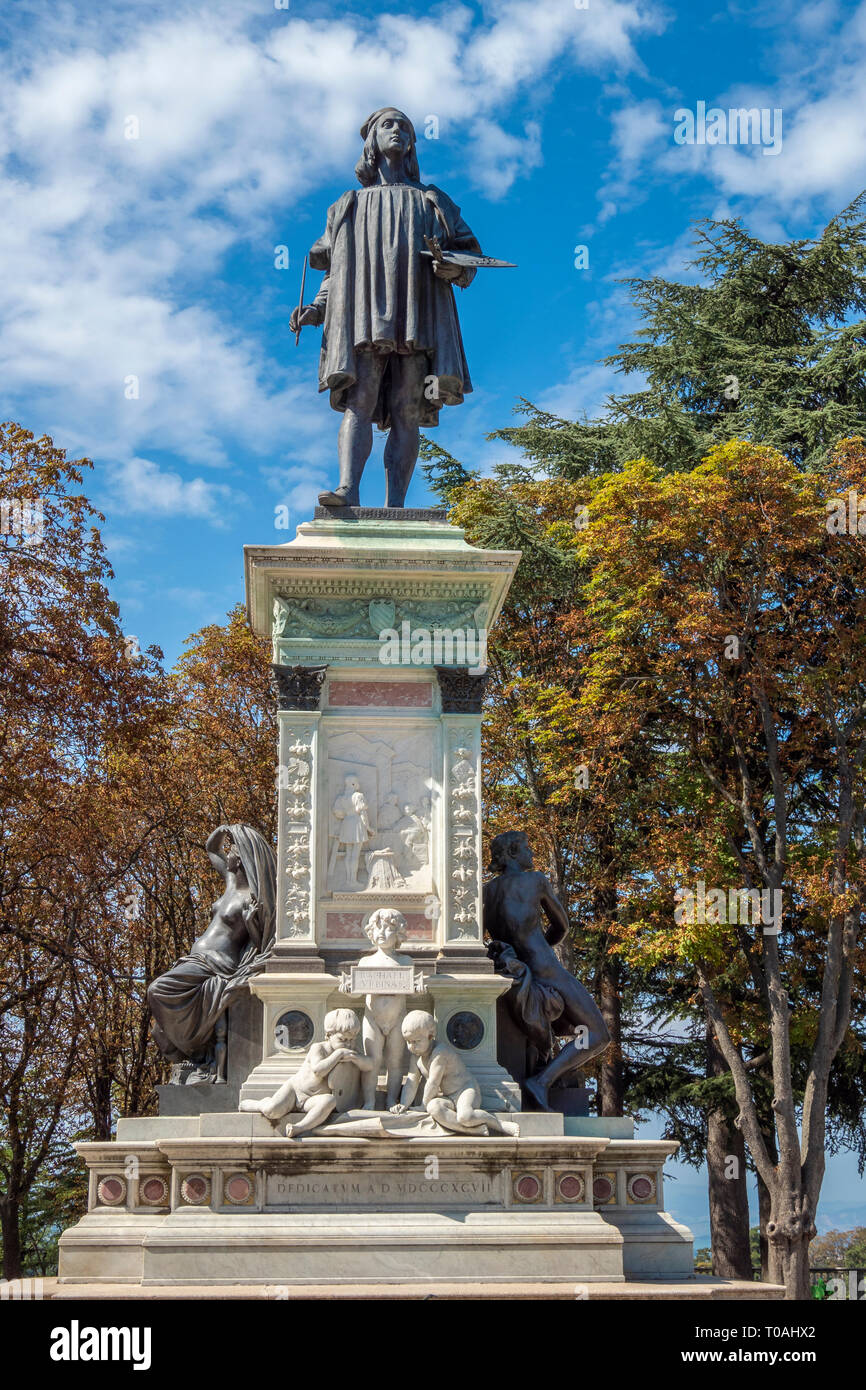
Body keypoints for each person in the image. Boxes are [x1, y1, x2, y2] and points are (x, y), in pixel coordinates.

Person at [291, 107, 480, 508]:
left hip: (419, 312)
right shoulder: (348, 205)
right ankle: (348, 490)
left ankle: (397, 507)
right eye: (388, 125)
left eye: (405, 127)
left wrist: (452, 268)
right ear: (371, 141)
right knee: (359, 401)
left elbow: (469, 257)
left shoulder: (433, 200)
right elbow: (334, 271)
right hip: (363, 314)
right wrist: (315, 309)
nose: (398, 131)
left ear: (412, 143)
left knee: (407, 408)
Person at [483, 830, 610, 1112]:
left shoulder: (486, 892)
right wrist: (542, 948)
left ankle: (545, 1077)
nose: (531, 853)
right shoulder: (536, 881)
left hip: (515, 969)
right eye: (527, 847)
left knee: (574, 1030)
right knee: (597, 1034)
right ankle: (542, 1081)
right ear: (514, 852)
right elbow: (562, 926)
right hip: (546, 969)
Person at [147, 825, 276, 1083]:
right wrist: (224, 830)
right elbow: (210, 848)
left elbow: (261, 942)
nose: (227, 854)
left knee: (157, 990)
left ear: (240, 858)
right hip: (195, 961)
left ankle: (189, 1047)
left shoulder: (252, 897)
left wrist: (251, 922)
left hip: (217, 964)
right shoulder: (230, 883)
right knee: (158, 1023)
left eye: (232, 850)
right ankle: (190, 1055)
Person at [239, 1009, 373, 1136]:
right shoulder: (319, 1048)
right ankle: (257, 1104)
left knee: (329, 1101)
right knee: (272, 1110)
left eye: (352, 1040)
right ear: (328, 1035)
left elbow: (369, 1065)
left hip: (313, 1099)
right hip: (296, 1091)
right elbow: (318, 1071)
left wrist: (356, 1058)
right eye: (342, 1040)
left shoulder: (350, 1052)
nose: (348, 1045)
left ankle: (300, 1127)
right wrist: (337, 1055)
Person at [393, 1010, 517, 1136]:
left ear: (431, 1036)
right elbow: (411, 1081)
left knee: (465, 1116)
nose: (411, 1047)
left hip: (465, 1090)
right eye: (408, 1042)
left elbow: (433, 1083)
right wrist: (403, 1104)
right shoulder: (416, 1057)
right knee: (433, 1107)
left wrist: (422, 1106)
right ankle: (472, 1130)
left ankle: (501, 1125)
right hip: (448, 1098)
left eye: (416, 1041)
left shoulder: (440, 1053)